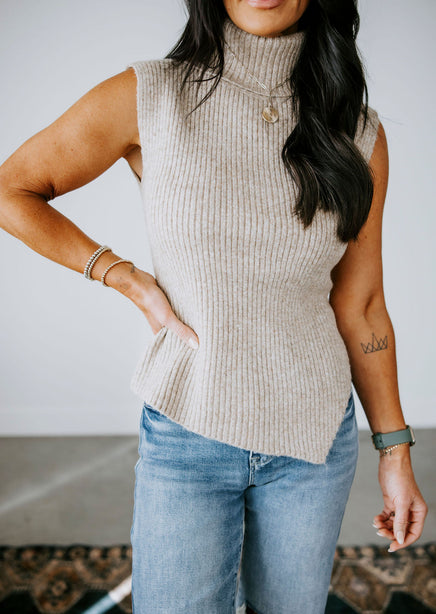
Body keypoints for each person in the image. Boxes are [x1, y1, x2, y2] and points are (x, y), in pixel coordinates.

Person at [0, 0, 428, 612]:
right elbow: (11, 189)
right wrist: (123, 276)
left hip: (312, 442)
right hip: (188, 431)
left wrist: (395, 452)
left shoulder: (359, 132)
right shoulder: (150, 94)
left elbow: (361, 305)